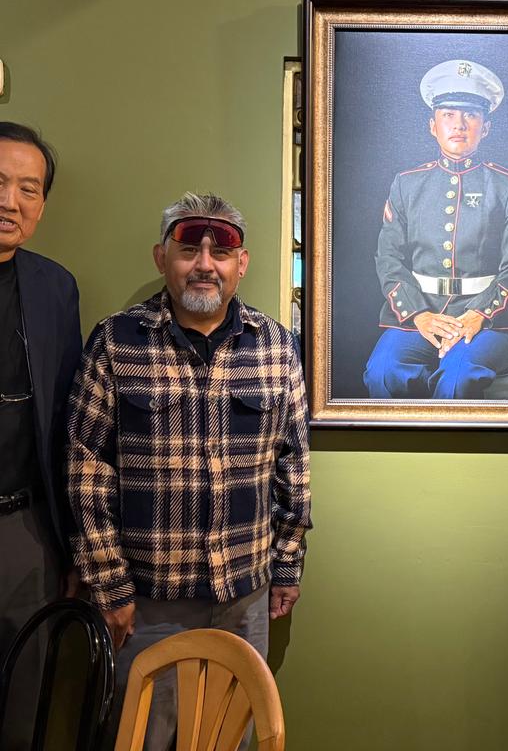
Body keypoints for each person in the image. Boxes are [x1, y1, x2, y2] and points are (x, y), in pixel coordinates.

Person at [66, 192, 311, 750]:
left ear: (241, 263)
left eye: (220, 252)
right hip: (146, 602)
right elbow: (86, 473)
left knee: (230, 740)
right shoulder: (115, 343)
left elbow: (293, 465)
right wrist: (109, 586)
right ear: (162, 258)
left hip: (245, 598)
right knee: (141, 739)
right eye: (188, 250)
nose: (204, 264)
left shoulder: (277, 347)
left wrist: (289, 565)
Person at [363, 59, 508, 399]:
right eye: (448, 115)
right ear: (433, 125)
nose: (459, 124)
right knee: (382, 372)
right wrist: (418, 314)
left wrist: (479, 314)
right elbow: (389, 258)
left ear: (486, 127)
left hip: (489, 318)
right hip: (420, 312)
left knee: (458, 377)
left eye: (470, 115)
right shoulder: (406, 184)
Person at [0, 122, 82, 750]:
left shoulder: (55, 287)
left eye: (28, 189)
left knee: (22, 708)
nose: (11, 201)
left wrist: (73, 545)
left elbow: (69, 425)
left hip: (24, 529)